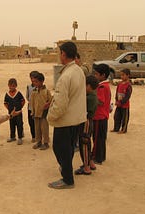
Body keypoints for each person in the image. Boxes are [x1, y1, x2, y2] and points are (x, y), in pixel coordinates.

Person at [47, 42, 86, 189]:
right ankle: (66, 170)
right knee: (68, 149)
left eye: (60, 53)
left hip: (65, 121)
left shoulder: (65, 76)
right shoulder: (78, 70)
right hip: (76, 119)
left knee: (60, 149)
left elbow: (60, 104)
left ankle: (67, 179)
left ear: (63, 54)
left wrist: (50, 117)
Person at [75, 75, 99, 175]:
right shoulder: (93, 95)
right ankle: (91, 163)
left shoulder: (89, 98)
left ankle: (86, 167)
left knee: (84, 144)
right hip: (89, 121)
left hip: (86, 122)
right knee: (88, 143)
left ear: (88, 86)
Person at [92, 64, 111, 165]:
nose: (95, 76)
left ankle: (96, 157)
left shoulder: (102, 87)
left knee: (97, 138)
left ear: (103, 75)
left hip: (99, 116)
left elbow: (101, 101)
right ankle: (101, 156)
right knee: (100, 138)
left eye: (96, 74)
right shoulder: (106, 85)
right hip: (103, 115)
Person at [30, 72, 52, 150]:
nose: (34, 83)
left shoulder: (46, 91)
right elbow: (31, 102)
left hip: (44, 114)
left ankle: (46, 143)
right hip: (36, 113)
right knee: (37, 129)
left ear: (42, 81)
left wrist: (48, 104)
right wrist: (32, 112)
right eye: (33, 81)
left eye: (36, 81)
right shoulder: (33, 91)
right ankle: (38, 142)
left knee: (44, 128)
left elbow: (51, 101)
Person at [111, 68, 132, 134]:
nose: (121, 77)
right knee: (116, 117)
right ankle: (116, 128)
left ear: (128, 75)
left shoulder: (128, 85)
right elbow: (117, 93)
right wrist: (116, 100)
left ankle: (124, 129)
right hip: (118, 104)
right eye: (121, 75)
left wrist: (121, 102)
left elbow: (127, 96)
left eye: (123, 75)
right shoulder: (119, 84)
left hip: (125, 105)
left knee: (124, 118)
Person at [4, 78, 25, 145]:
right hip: (11, 113)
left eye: (13, 86)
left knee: (19, 124)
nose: (12, 87)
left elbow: (23, 101)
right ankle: (12, 137)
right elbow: (5, 103)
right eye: (10, 86)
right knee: (12, 125)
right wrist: (9, 109)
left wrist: (19, 108)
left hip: (18, 112)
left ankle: (20, 137)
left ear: (16, 86)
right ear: (8, 85)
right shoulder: (7, 94)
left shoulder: (18, 93)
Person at [26, 71, 39, 142]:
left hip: (38, 108)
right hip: (30, 108)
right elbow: (27, 97)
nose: (32, 80)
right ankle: (33, 136)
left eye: (34, 78)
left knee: (38, 123)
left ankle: (39, 136)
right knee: (31, 123)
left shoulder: (39, 87)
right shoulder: (29, 87)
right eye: (31, 78)